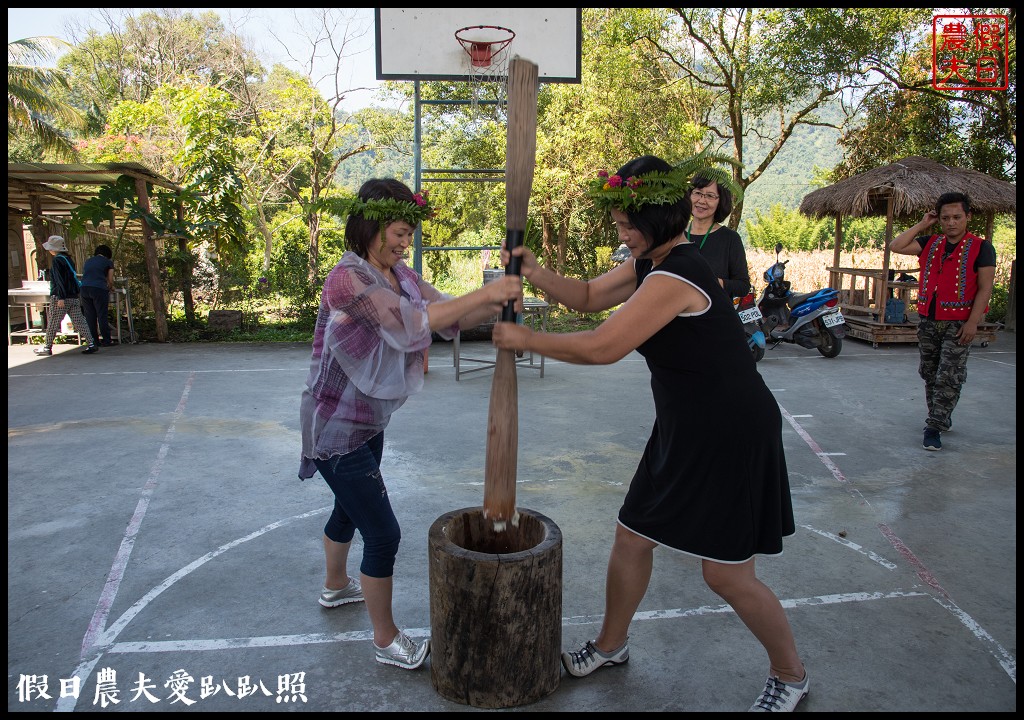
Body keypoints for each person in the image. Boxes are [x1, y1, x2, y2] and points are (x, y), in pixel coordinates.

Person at [493, 155, 808, 712]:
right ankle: (611, 646)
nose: (620, 235)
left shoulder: (680, 272)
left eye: (625, 226)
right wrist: (534, 271)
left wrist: (526, 340)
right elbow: (589, 296)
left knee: (726, 575)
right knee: (632, 536)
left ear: (658, 219)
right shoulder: (653, 262)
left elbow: (602, 345)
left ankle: (791, 674)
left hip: (731, 431)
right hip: (684, 426)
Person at [298, 178, 522, 671]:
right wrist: (490, 292)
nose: (404, 244)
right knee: (383, 534)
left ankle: (336, 588)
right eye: (398, 233)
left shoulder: (399, 274)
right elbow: (411, 323)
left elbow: (444, 316)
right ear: (371, 226)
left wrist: (504, 292)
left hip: (367, 422)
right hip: (334, 426)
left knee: (348, 508)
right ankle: (386, 639)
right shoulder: (348, 279)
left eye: (408, 235)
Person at [889, 192, 996, 451]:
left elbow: (985, 288)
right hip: (928, 320)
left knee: (949, 375)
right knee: (930, 372)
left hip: (958, 322)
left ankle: (933, 426)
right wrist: (923, 224)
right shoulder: (930, 243)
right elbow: (896, 245)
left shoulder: (981, 248)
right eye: (946, 218)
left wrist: (973, 323)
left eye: (957, 217)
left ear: (968, 217)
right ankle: (940, 416)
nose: (951, 223)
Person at [687, 172, 751, 298]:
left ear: (721, 201)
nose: (701, 201)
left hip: (715, 315)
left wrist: (715, 283)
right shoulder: (674, 233)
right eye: (698, 193)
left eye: (710, 196)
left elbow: (743, 287)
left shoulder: (730, 239)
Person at [33, 235, 98, 356]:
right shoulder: (68, 260)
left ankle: (47, 347)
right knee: (80, 321)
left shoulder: (57, 261)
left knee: (53, 322)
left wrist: (61, 297)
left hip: (60, 297)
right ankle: (91, 343)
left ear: (54, 248)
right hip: (73, 296)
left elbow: (59, 280)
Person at [80, 244, 116, 347]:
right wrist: (111, 287)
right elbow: (110, 280)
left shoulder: (88, 261)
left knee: (90, 316)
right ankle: (106, 340)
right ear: (108, 254)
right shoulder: (108, 262)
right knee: (101, 314)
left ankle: (93, 341)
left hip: (84, 289)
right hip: (99, 289)